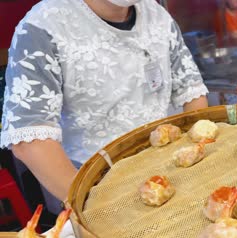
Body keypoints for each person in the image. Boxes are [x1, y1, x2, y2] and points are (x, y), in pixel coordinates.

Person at [0, 0, 209, 202]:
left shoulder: (157, 16)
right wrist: (95, 208)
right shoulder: (42, 27)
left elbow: (191, 93)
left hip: (166, 172)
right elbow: (29, 140)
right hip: (95, 183)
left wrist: (194, 157)